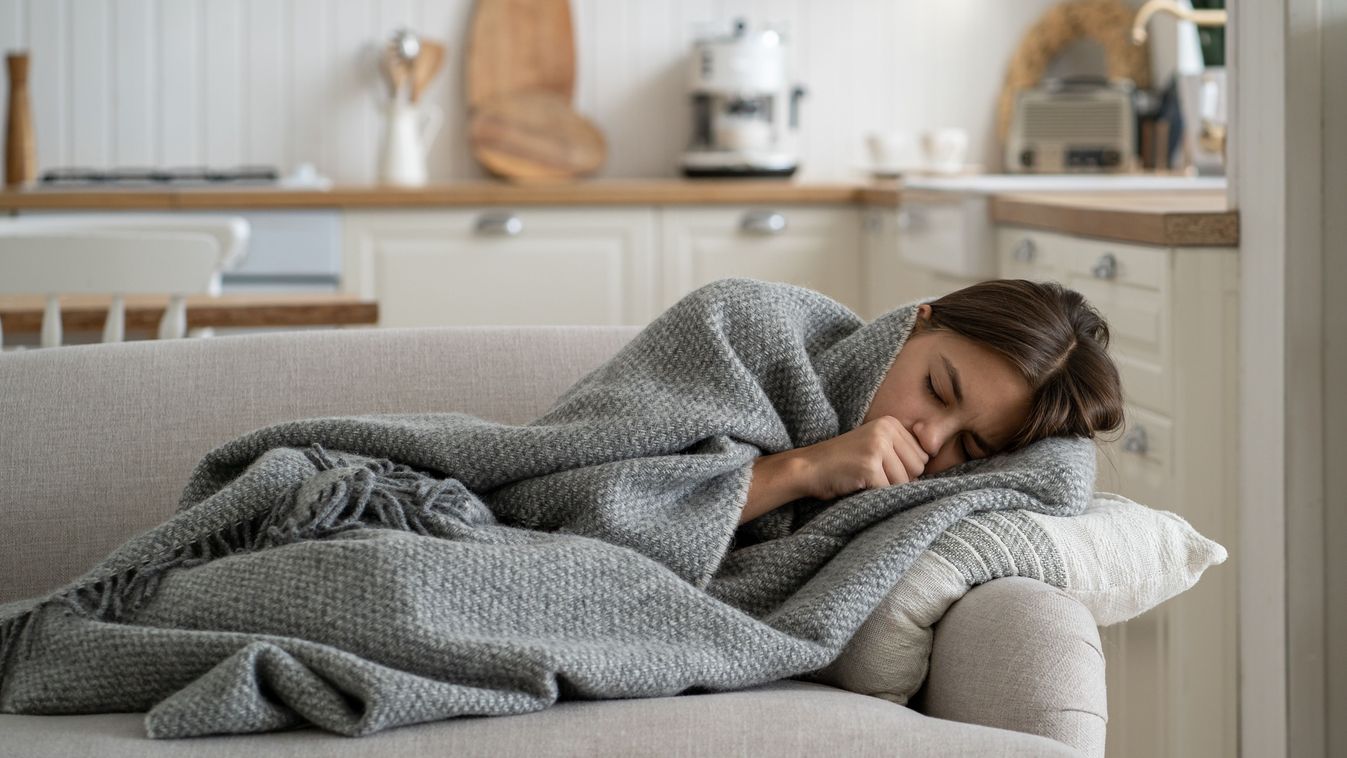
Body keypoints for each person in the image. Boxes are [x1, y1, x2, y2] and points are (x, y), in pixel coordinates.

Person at [739, 278, 1125, 525]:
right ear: (917, 324)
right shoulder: (748, 325)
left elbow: (1061, 475)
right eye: (936, 389)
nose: (931, 440)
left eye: (970, 445)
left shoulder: (920, 497)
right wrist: (806, 467)